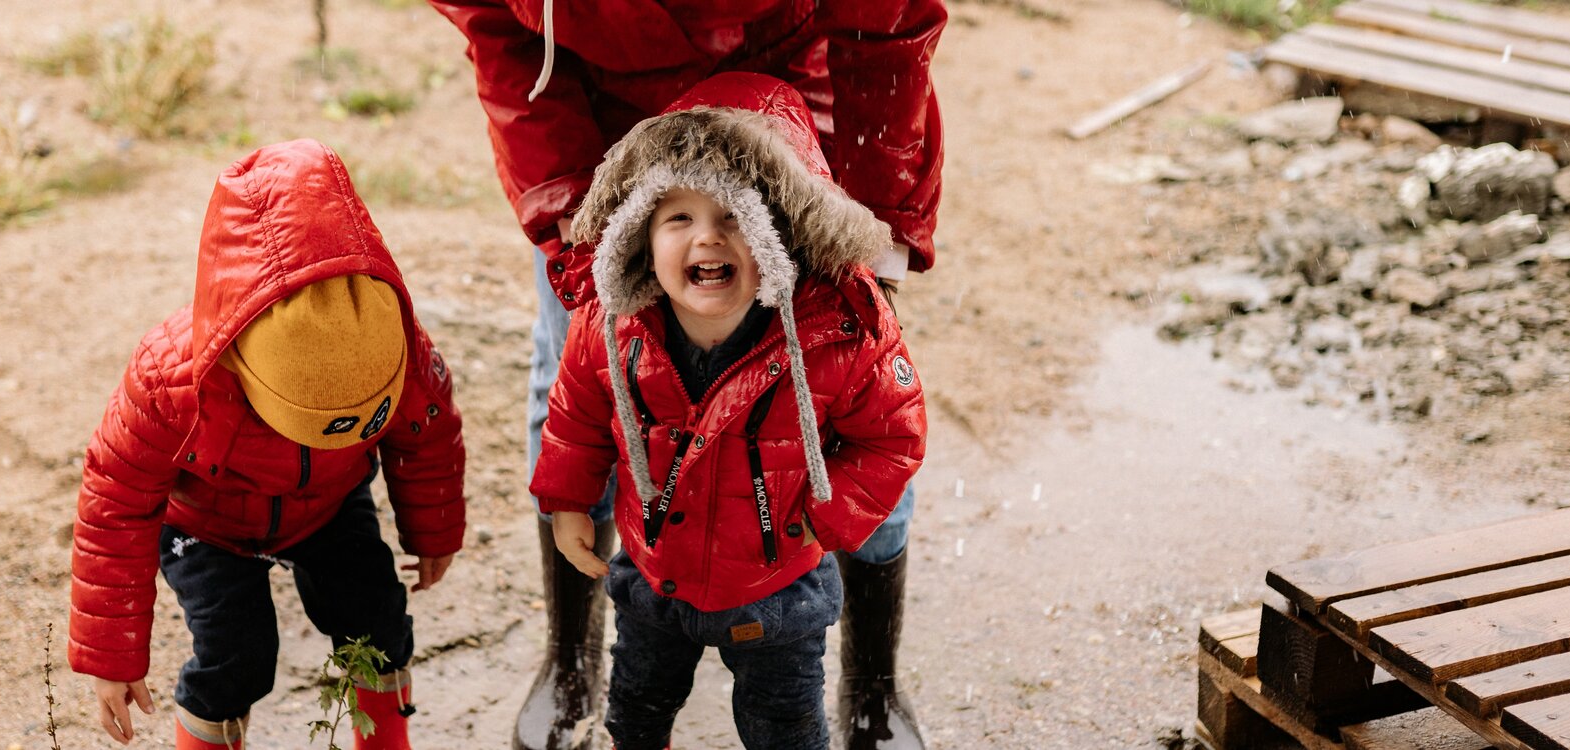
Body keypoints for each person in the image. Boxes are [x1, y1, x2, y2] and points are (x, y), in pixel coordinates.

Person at [427, 3, 945, 747]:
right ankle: (573, 660)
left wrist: (868, 228)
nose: (708, 238)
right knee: (572, 362)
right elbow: (501, 33)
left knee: (847, 375)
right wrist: (572, 228)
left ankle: (872, 683)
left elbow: (888, 433)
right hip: (600, 122)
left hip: (792, 108)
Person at [531, 72, 926, 750]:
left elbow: (893, 436)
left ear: (785, 236)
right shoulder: (610, 325)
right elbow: (576, 415)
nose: (705, 239)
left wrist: (830, 516)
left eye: (735, 217)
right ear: (640, 236)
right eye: (678, 217)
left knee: (785, 731)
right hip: (652, 577)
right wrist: (568, 500)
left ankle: (859, 695)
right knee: (637, 716)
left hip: (779, 593)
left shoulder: (836, 334)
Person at [66, 138, 467, 750]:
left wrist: (433, 533)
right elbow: (115, 502)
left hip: (328, 506)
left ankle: (384, 740)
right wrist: (111, 656)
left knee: (377, 618)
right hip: (206, 523)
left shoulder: (393, 338)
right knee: (238, 651)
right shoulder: (169, 379)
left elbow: (427, 432)